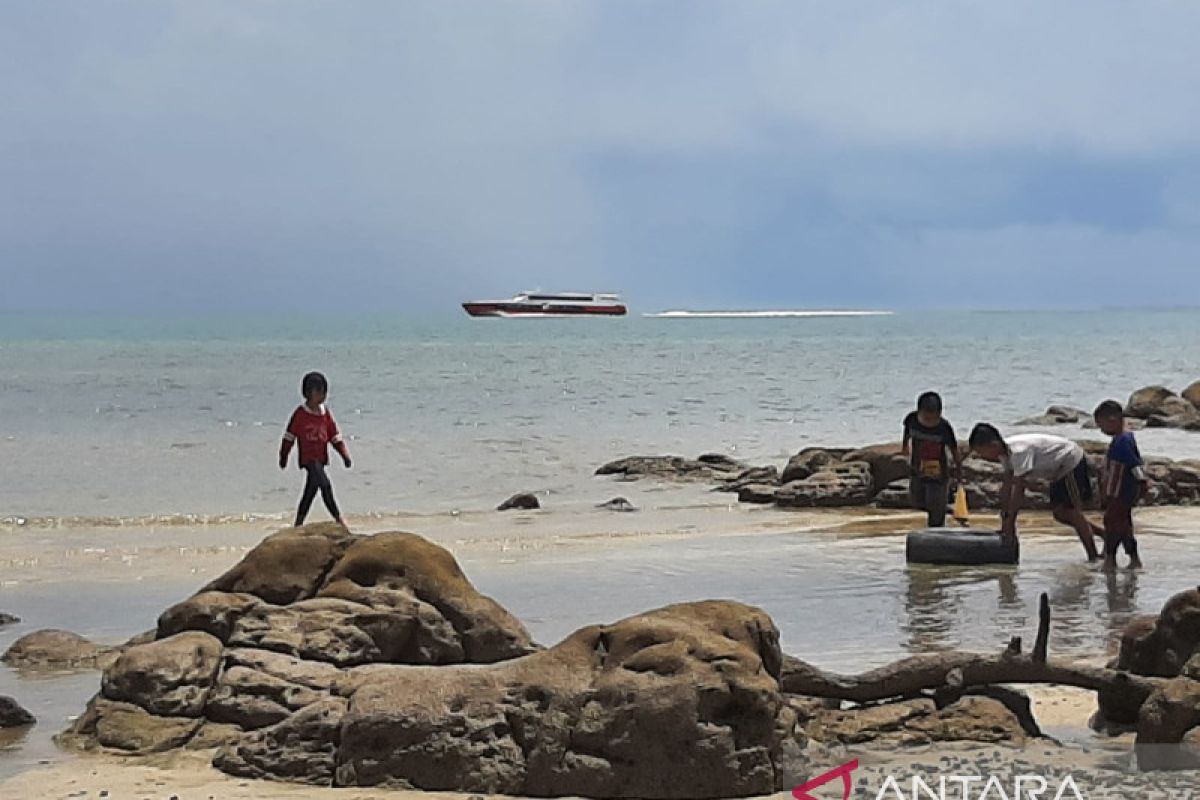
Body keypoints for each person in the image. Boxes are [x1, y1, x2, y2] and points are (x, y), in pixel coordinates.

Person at [967, 424, 1102, 560]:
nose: (981, 456)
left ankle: (1093, 556)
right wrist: (1004, 516)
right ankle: (1103, 534)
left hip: (1069, 460)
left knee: (1071, 512)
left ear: (992, 445)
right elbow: (1007, 486)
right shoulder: (1004, 455)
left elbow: (1019, 489)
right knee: (1060, 514)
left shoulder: (1019, 452)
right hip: (1056, 470)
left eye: (981, 451)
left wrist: (1011, 522)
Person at [279, 371, 352, 527]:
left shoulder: (325, 414)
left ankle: (298, 524)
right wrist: (283, 456)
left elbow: (334, 436)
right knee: (325, 485)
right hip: (309, 459)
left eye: (325, 392)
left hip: (321, 457)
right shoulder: (300, 414)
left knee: (310, 492)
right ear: (308, 393)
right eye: (319, 392)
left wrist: (344, 455)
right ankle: (340, 520)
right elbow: (289, 437)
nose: (323, 395)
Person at [1093, 400, 1145, 571]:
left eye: (1102, 426)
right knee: (1123, 526)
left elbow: (1134, 464)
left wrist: (1142, 482)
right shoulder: (1123, 438)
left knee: (1112, 522)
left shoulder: (1123, 440)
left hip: (1122, 491)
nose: (1102, 430)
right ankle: (1133, 559)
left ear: (1112, 420)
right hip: (1117, 490)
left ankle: (1110, 559)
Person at [901, 391, 963, 527]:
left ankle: (937, 529)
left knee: (936, 508)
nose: (930, 422)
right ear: (919, 412)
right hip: (917, 468)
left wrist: (958, 470)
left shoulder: (944, 428)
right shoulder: (911, 420)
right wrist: (905, 446)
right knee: (916, 499)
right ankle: (944, 508)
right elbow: (907, 433)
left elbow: (954, 449)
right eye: (926, 419)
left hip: (938, 473)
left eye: (934, 419)